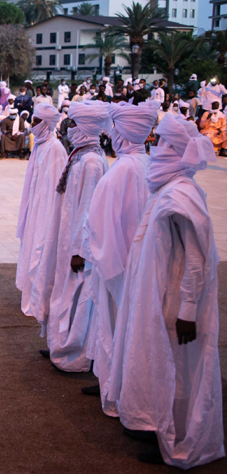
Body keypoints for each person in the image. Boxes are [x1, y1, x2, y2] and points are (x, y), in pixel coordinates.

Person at [107, 114, 223, 468]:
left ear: (173, 149)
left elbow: (196, 259)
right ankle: (154, 424)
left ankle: (181, 440)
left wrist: (188, 308)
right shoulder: (168, 188)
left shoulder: (183, 194)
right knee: (158, 359)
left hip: (175, 300)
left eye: (160, 142)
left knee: (179, 368)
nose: (154, 148)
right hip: (155, 294)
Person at [76, 99, 159, 416]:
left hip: (115, 264)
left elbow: (100, 223)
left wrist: (95, 258)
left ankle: (113, 387)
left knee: (112, 326)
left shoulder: (123, 169)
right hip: (136, 264)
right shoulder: (148, 163)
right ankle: (111, 381)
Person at [43, 100, 110, 372]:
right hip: (68, 241)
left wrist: (80, 251)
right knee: (64, 293)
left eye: (72, 123)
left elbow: (89, 210)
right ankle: (59, 343)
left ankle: (75, 354)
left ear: (84, 127)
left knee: (78, 297)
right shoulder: (81, 155)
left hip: (78, 248)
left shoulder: (92, 161)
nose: (68, 128)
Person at [16, 104, 67, 332]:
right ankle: (30, 298)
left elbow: (55, 189)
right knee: (30, 249)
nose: (32, 125)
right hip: (35, 207)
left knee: (40, 252)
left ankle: (39, 301)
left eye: (36, 121)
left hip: (46, 211)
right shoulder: (39, 146)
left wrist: (46, 216)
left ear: (46, 123)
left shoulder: (55, 148)